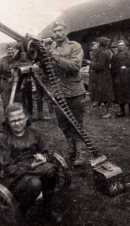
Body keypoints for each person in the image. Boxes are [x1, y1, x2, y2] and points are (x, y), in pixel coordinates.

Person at [0, 102, 57, 218]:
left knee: (51, 171)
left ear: (26, 117)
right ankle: (21, 212)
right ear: (8, 121)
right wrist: (31, 166)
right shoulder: (2, 138)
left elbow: (45, 151)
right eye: (13, 121)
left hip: (34, 166)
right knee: (35, 184)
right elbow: (8, 167)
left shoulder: (34, 132)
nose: (17, 123)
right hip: (14, 175)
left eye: (20, 119)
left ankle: (46, 208)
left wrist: (43, 157)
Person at [49, 20, 86, 166]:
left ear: (65, 31)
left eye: (60, 30)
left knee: (77, 124)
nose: (57, 33)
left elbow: (75, 65)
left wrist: (55, 57)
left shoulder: (74, 46)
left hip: (74, 92)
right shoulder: (51, 49)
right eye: (55, 31)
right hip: (59, 93)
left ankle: (81, 153)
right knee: (63, 124)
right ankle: (71, 150)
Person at [85, 37, 115, 118]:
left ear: (100, 44)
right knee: (104, 93)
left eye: (97, 43)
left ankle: (110, 112)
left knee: (106, 94)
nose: (96, 44)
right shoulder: (104, 52)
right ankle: (109, 111)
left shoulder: (102, 53)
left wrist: (90, 63)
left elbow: (100, 66)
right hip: (103, 76)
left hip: (103, 77)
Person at [111, 40, 130, 117]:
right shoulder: (115, 56)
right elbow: (112, 68)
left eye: (122, 45)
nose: (121, 47)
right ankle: (122, 111)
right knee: (120, 94)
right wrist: (113, 78)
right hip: (118, 77)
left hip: (129, 76)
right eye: (119, 45)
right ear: (117, 47)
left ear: (125, 46)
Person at [0, 44, 17, 111]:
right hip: (5, 83)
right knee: (6, 102)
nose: (10, 51)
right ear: (6, 51)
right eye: (9, 50)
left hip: (16, 82)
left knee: (16, 102)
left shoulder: (18, 59)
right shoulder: (3, 60)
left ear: (14, 50)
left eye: (12, 49)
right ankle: (6, 118)